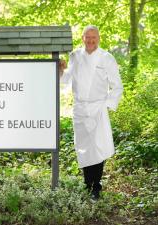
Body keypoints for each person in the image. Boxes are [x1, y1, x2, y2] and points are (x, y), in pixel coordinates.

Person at [59, 25, 123, 200]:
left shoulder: (106, 58)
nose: (91, 40)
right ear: (83, 38)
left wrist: (107, 104)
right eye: (88, 37)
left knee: (98, 146)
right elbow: (66, 80)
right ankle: (87, 183)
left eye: (94, 37)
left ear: (99, 39)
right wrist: (60, 69)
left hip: (98, 108)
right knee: (84, 147)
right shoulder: (74, 56)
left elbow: (117, 86)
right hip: (79, 108)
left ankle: (96, 186)